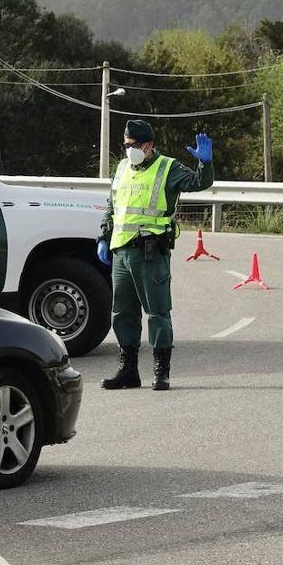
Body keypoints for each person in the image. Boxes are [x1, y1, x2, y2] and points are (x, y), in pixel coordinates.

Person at [97, 119, 214, 391]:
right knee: (122, 313)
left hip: (150, 250)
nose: (127, 150)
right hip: (121, 250)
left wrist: (205, 164)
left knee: (157, 312)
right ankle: (128, 371)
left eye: (132, 145)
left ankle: (161, 371)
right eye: (125, 144)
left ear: (147, 145)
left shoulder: (168, 168)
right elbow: (112, 204)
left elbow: (198, 183)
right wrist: (104, 235)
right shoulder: (122, 167)